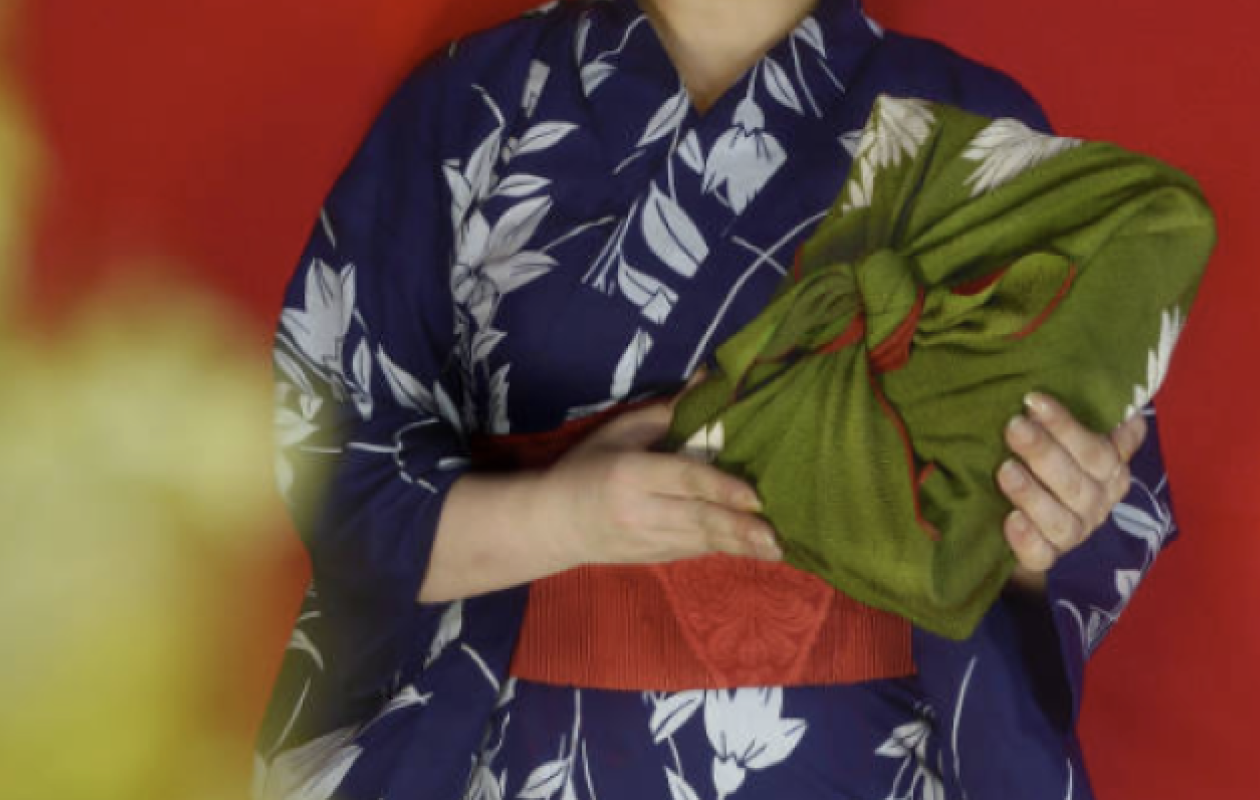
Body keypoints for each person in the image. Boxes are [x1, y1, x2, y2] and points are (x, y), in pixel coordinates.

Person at [255, 1, 1172, 798]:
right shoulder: (475, 106)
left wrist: (1050, 516)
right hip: (523, 749)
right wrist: (564, 519)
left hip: (859, 759)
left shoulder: (976, 130)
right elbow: (336, 465)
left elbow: (1074, 506)